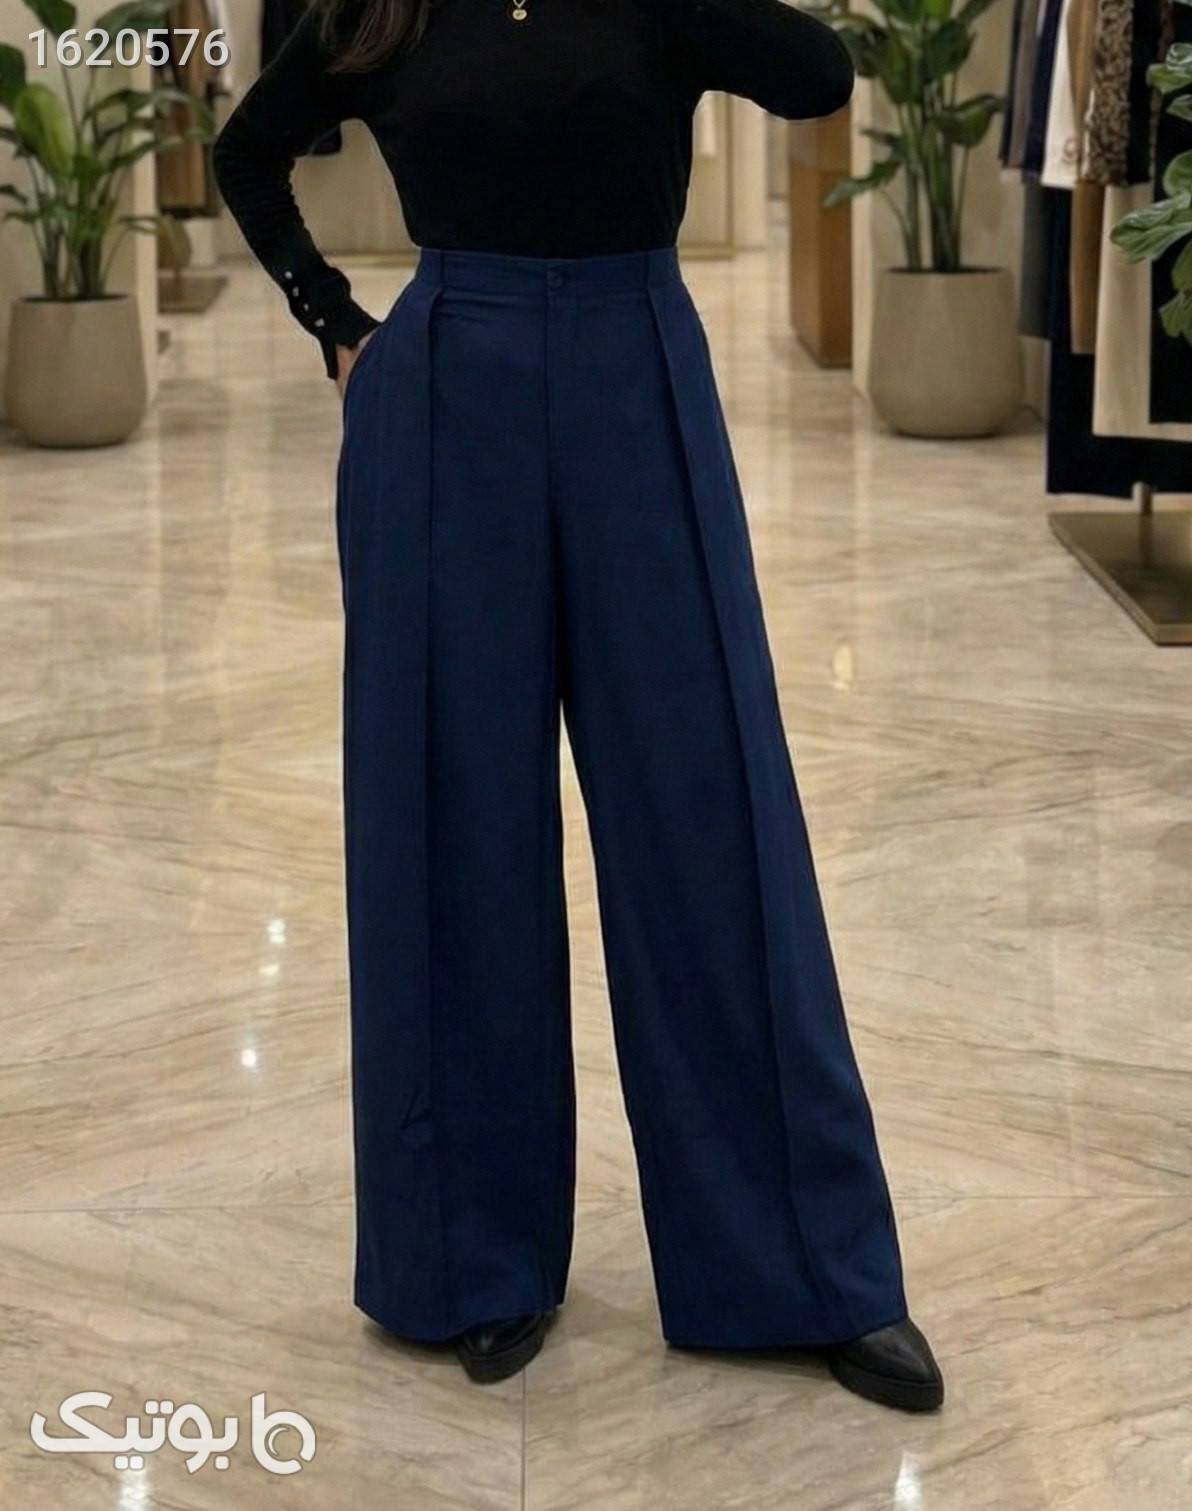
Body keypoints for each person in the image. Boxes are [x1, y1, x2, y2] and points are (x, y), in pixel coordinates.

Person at [213, 0, 944, 1412]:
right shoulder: (386, 8)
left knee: (711, 814)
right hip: (446, 399)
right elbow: (250, 152)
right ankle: (468, 1258)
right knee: (455, 824)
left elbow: (817, 75)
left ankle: (802, 1269)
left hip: (637, 374)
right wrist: (337, 325)